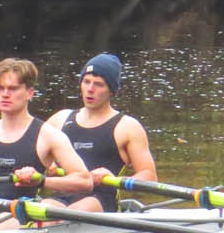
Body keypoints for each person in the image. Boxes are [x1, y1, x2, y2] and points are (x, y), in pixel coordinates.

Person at [0, 58, 92, 231]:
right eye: (0, 88)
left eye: (13, 88)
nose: (5, 94)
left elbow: (84, 181)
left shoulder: (48, 135)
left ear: (30, 93)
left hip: (17, 210)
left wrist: (41, 181)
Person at [45, 53, 157, 212]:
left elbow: (149, 176)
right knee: (40, 213)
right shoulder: (60, 119)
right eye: (86, 82)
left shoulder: (127, 127)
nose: (90, 89)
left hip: (101, 200)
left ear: (111, 90)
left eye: (98, 84)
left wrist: (114, 179)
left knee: (65, 214)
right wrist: (47, 166)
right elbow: (32, 157)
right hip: (62, 196)